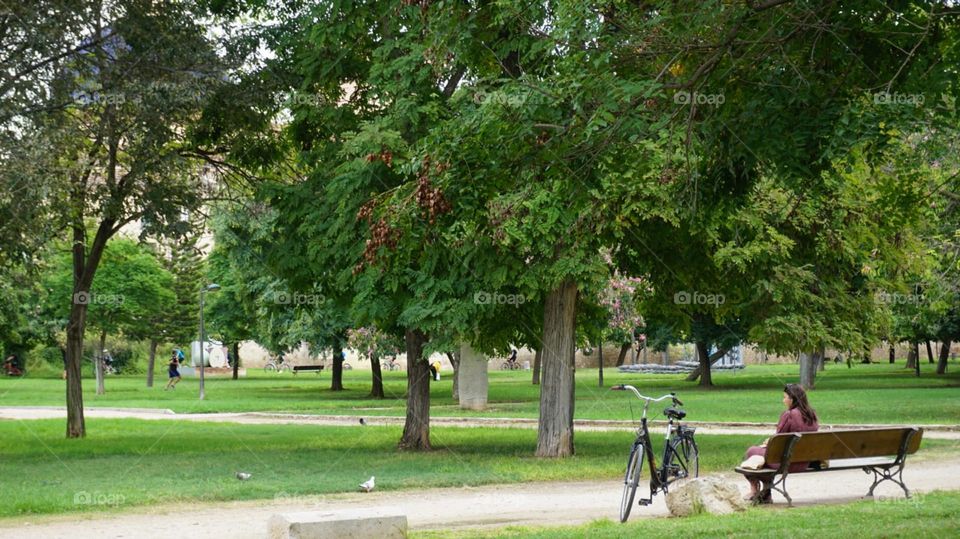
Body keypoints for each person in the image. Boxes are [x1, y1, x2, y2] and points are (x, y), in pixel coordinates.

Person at [742, 383, 819, 502]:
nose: (783, 401)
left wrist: (769, 442)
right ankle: (765, 493)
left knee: (751, 452)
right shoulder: (812, 415)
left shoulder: (789, 415)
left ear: (792, 399)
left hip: (786, 462)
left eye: (785, 397)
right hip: (803, 462)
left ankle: (755, 490)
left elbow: (778, 440)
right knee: (761, 457)